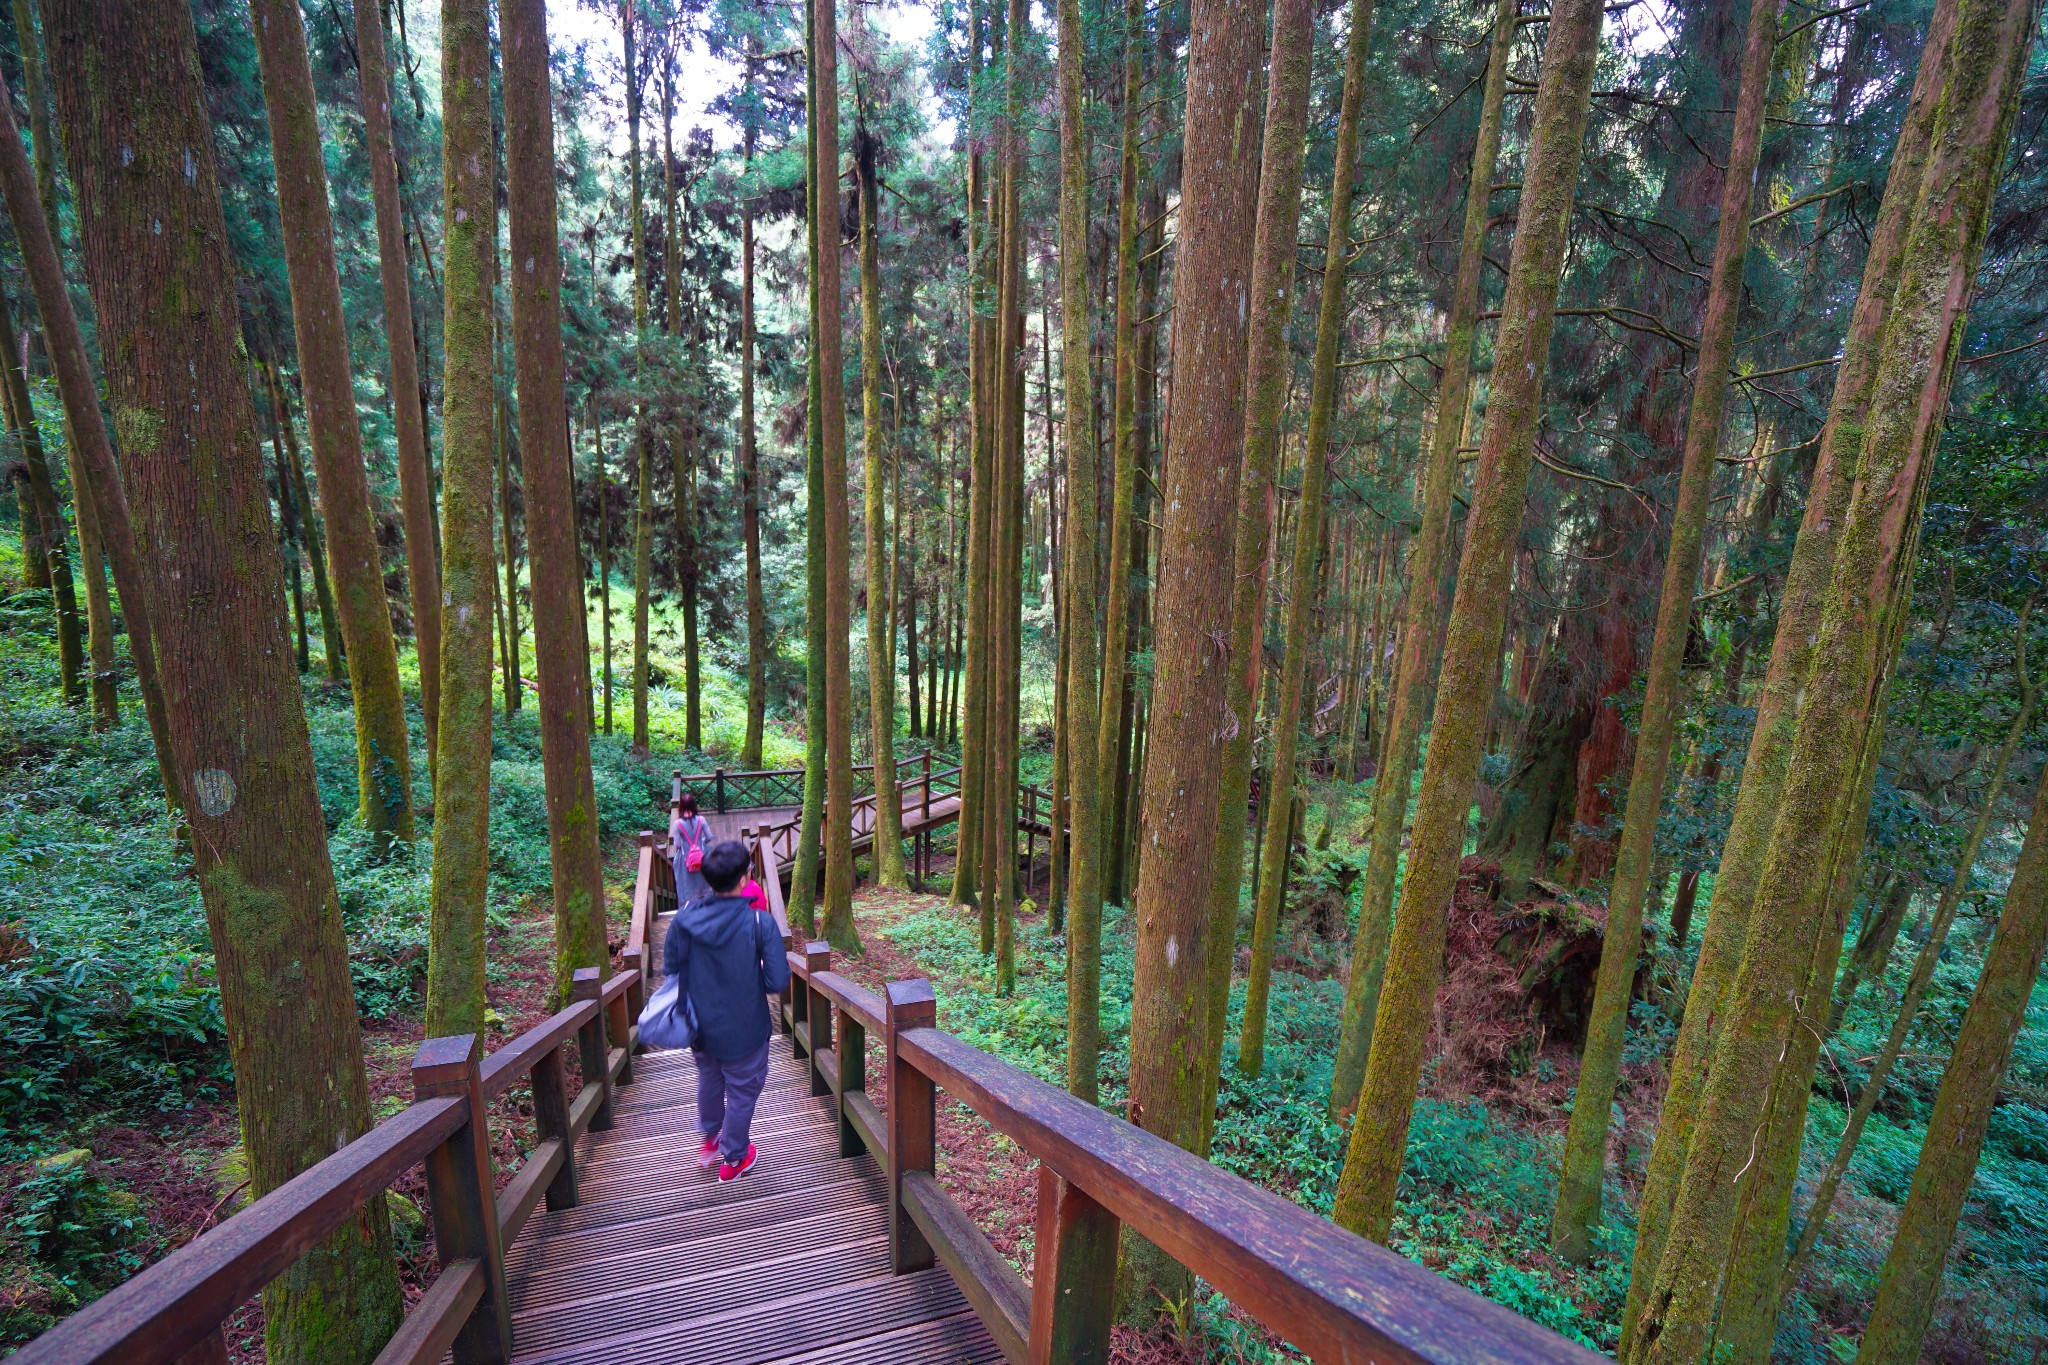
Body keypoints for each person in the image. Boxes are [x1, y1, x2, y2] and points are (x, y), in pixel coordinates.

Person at [663, 838, 789, 1182]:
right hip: (746, 1026)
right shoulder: (760, 923)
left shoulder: (684, 918)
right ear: (745, 877)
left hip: (698, 1024)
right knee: (742, 1090)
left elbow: (671, 967)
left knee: (709, 1077)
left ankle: (709, 1138)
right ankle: (734, 1158)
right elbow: (777, 980)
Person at [671, 792, 714, 906]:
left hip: (686, 857)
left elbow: (678, 844)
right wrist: (701, 843)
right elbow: (710, 837)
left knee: (686, 881)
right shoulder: (701, 819)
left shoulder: (677, 824)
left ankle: (689, 905)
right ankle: (706, 900)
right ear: (694, 805)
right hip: (701, 854)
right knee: (703, 878)